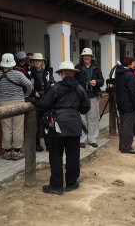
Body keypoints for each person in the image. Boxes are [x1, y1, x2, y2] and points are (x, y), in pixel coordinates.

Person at [42, 61, 90, 195]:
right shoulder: (79, 88)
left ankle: (56, 186)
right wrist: (75, 109)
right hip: (74, 124)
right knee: (73, 155)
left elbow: (46, 103)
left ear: (62, 73)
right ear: (73, 73)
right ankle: (71, 183)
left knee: (56, 155)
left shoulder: (56, 88)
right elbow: (86, 108)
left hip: (57, 124)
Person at [0, 53, 33, 160]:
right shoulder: (18, 74)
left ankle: (7, 151)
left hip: (3, 103)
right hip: (18, 102)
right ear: (13, 63)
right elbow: (29, 84)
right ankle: (17, 151)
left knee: (6, 128)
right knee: (18, 127)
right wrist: (27, 94)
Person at [75, 48, 104, 148]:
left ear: (91, 57)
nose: (86, 57)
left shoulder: (96, 68)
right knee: (82, 119)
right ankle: (81, 140)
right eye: (85, 55)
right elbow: (74, 82)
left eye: (88, 56)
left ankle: (92, 139)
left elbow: (102, 81)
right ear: (82, 57)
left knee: (94, 118)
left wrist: (96, 82)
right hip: (81, 97)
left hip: (93, 96)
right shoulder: (77, 68)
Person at [115, 55, 135, 154]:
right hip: (129, 104)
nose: (134, 64)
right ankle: (126, 147)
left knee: (122, 125)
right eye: (133, 63)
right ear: (129, 64)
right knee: (128, 127)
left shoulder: (119, 73)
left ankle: (122, 145)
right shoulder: (130, 75)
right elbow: (133, 92)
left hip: (121, 103)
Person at [30, 53, 54, 152]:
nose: (37, 62)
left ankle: (48, 145)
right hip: (35, 102)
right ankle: (36, 145)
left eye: (39, 61)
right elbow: (27, 86)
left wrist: (52, 84)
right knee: (36, 124)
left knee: (47, 123)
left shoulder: (47, 72)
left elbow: (51, 83)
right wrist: (33, 92)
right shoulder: (29, 73)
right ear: (33, 62)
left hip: (46, 101)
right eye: (35, 61)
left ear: (42, 62)